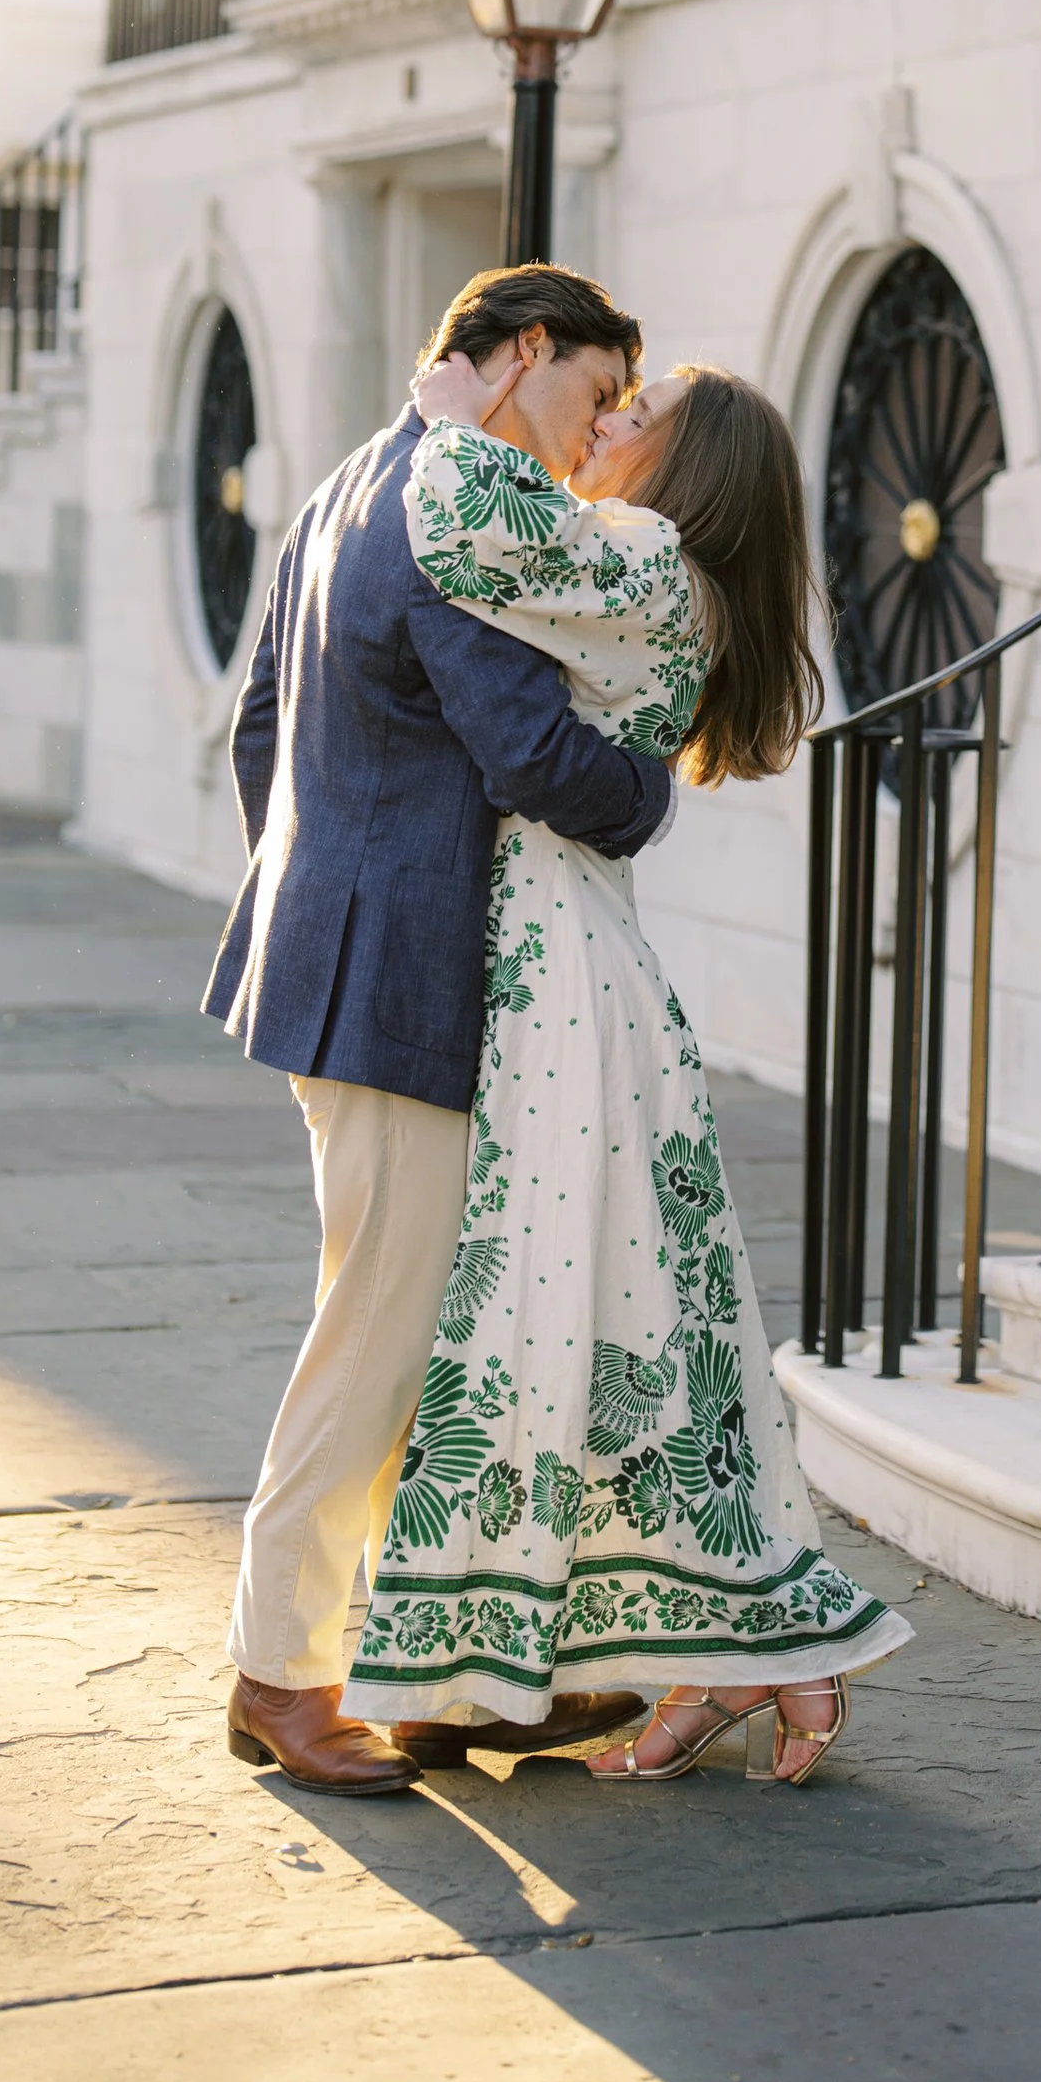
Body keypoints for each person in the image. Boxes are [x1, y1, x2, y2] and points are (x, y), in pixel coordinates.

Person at [343, 346, 910, 1786]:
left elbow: (464, 527)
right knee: (647, 1324)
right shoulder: (674, 579)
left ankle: (539, 1658)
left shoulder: (647, 554)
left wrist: (452, 416)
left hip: (562, 981)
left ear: (684, 466)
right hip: (583, 962)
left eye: (635, 414)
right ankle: (759, 1659)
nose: (607, 422)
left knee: (539, 1308)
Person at [208, 266, 676, 1796]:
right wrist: (650, 785)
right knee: (384, 1329)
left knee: (414, 1330)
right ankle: (283, 1673)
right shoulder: (454, 496)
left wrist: (325, 874)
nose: (594, 426)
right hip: (404, 979)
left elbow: (259, 727)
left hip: (332, 959)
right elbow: (532, 745)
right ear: (522, 349)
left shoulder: (354, 474)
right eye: (594, 391)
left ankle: (438, 1672)